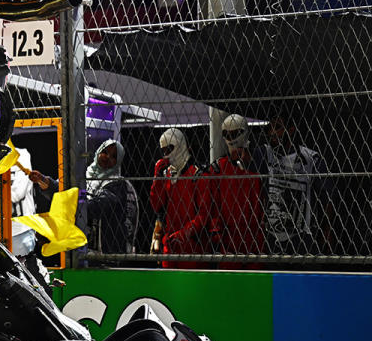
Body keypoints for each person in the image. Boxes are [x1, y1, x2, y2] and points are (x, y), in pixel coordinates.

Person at [30, 139, 139, 258]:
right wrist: (43, 180)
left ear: (117, 162)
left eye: (113, 156)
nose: (107, 157)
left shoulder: (118, 184)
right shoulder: (86, 174)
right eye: (105, 152)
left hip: (108, 256)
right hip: (83, 252)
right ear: (98, 152)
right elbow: (63, 189)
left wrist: (68, 202)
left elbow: (96, 208)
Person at [254, 116, 329, 256]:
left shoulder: (311, 158)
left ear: (291, 130)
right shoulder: (264, 154)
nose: (272, 133)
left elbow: (326, 198)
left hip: (303, 237)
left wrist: (326, 233)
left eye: (277, 128)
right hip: (272, 236)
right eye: (269, 128)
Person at [149, 128, 213, 269]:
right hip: (171, 244)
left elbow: (204, 214)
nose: (167, 154)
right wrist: (157, 178)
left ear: (179, 145)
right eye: (164, 150)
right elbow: (157, 206)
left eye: (169, 149)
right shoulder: (166, 174)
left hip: (193, 245)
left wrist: (184, 234)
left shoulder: (198, 174)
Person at [209, 114, 265, 269]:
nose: (230, 139)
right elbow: (213, 204)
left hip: (255, 239)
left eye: (234, 134)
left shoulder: (260, 164)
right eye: (227, 134)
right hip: (228, 240)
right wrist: (217, 232)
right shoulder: (219, 168)